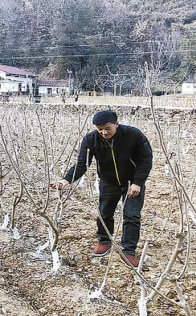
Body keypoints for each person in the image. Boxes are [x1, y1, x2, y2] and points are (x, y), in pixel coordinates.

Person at [50, 110, 152, 268]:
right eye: (99, 129)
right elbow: (82, 163)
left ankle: (128, 251)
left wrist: (138, 182)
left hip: (132, 181)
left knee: (132, 215)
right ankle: (105, 241)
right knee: (104, 212)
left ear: (116, 124)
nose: (104, 132)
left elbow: (146, 159)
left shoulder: (133, 135)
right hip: (108, 181)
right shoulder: (91, 139)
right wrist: (67, 179)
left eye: (107, 128)